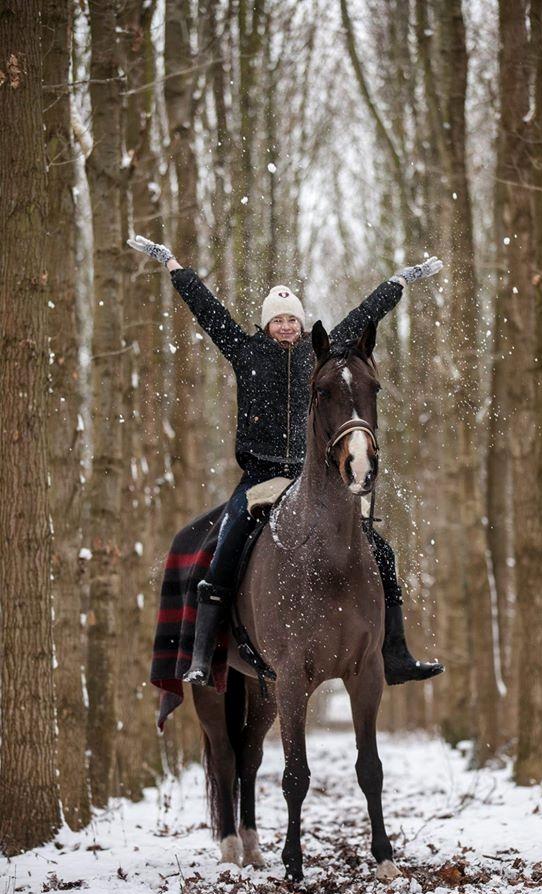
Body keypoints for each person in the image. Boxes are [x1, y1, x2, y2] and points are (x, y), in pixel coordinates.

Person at [128, 234, 444, 688]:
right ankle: (200, 656)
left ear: (301, 325)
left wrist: (397, 282)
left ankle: (394, 653)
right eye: (277, 320)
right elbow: (208, 311)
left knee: (382, 551)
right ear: (266, 326)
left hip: (312, 480)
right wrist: (174, 266)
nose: (286, 326)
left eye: (291, 319)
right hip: (259, 477)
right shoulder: (245, 351)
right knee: (224, 550)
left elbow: (364, 316)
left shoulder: (322, 356)